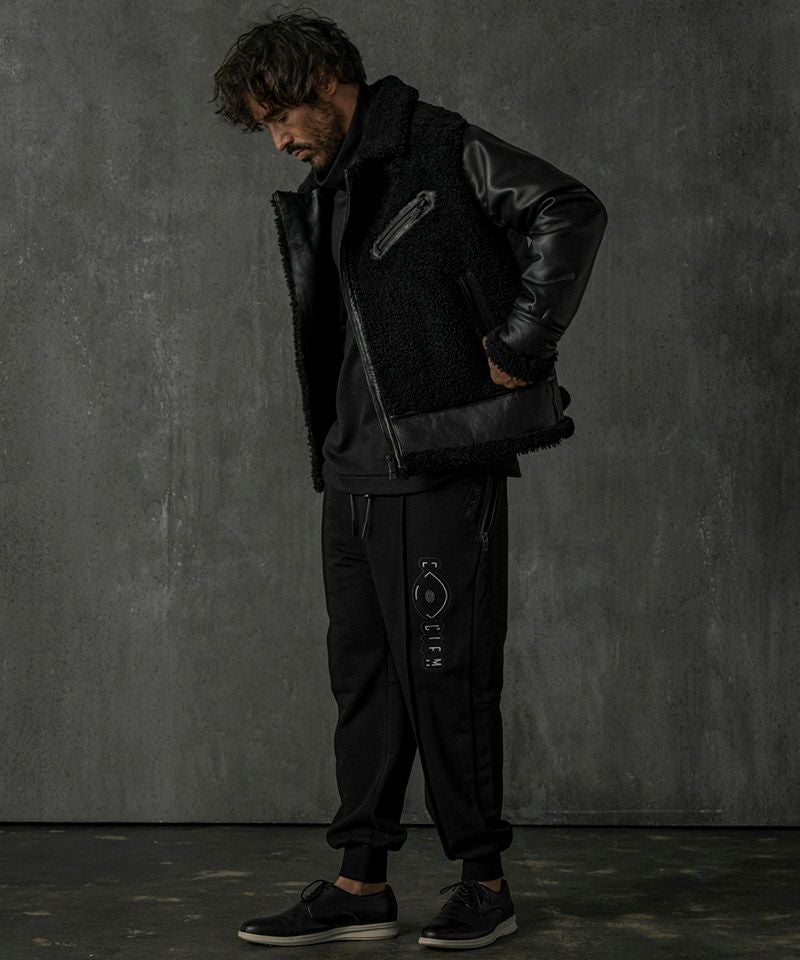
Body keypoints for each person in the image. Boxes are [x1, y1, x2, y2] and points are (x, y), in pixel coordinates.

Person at [212, 9, 606, 951]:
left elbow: (569, 209)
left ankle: (484, 883)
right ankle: (361, 882)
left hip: (435, 462)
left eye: (281, 117)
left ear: (326, 83)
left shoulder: (437, 145)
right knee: (365, 684)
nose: (279, 141)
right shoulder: (336, 179)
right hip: (352, 470)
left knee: (448, 675)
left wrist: (523, 343)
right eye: (265, 127)